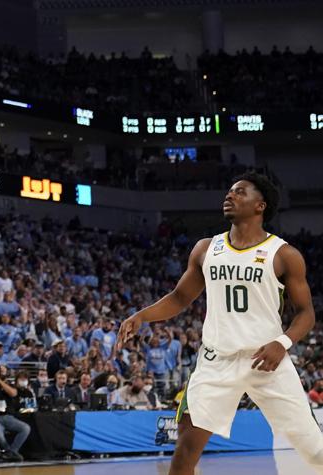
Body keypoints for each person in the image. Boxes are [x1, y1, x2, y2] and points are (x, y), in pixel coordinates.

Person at [118, 173, 323, 474]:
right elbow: (179, 297)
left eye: (240, 192)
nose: (230, 196)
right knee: (186, 449)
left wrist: (282, 343)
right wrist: (142, 316)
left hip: (266, 359)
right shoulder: (205, 248)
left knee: (313, 448)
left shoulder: (284, 255)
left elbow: (306, 313)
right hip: (216, 360)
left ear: (260, 206)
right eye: (229, 192)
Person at [0, 366, 31, 462]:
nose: (4, 372)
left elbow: (13, 393)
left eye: (4, 371)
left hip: (8, 417)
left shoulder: (8, 384)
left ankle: (11, 452)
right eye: (1, 371)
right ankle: (10, 452)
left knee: (25, 428)